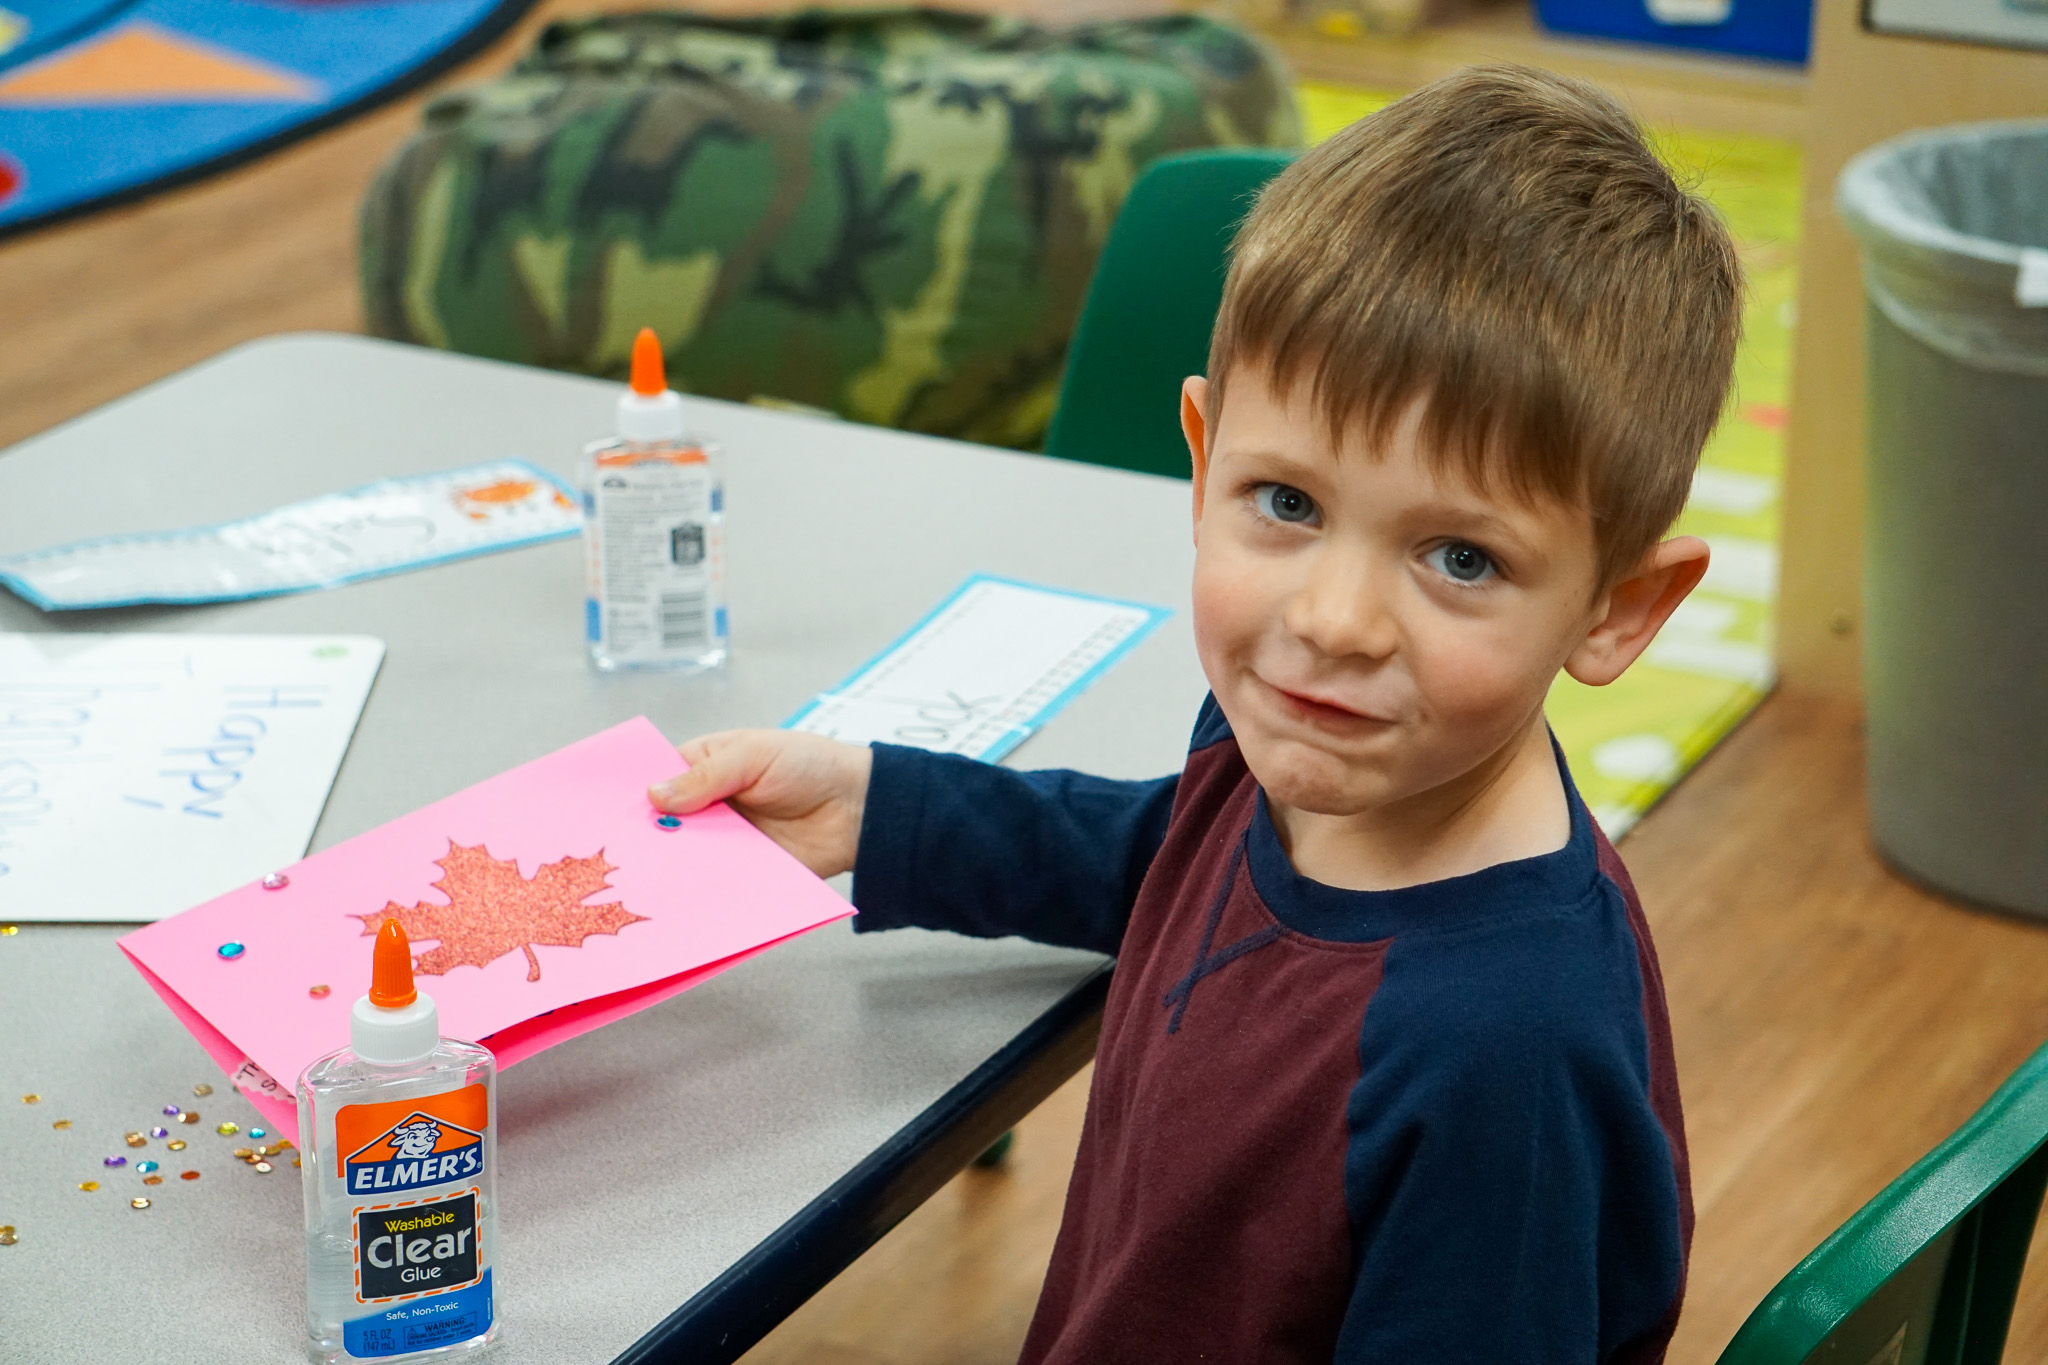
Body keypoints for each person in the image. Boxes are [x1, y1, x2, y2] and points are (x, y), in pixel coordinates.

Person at [650, 63, 1740, 1365]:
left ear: (1621, 608)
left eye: (1459, 557)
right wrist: (879, 805)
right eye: (1288, 503)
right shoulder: (1290, 742)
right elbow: (1173, 854)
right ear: (1203, 455)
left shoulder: (1501, 1064)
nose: (1333, 618)